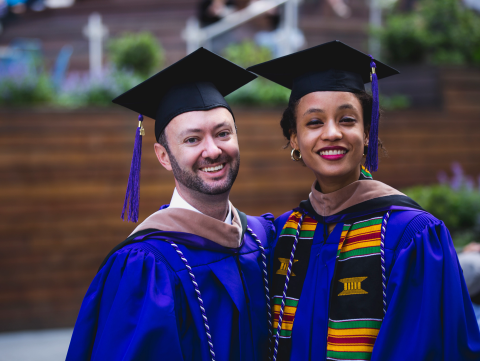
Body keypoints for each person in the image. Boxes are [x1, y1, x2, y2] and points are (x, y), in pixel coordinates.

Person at [247, 40, 480, 360]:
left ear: (368, 131)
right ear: (294, 137)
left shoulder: (411, 235)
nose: (331, 133)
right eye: (314, 122)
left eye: (347, 119)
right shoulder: (284, 234)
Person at [66, 48, 275, 361]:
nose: (213, 150)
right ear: (163, 156)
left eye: (223, 133)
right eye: (192, 139)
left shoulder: (263, 237)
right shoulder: (146, 265)